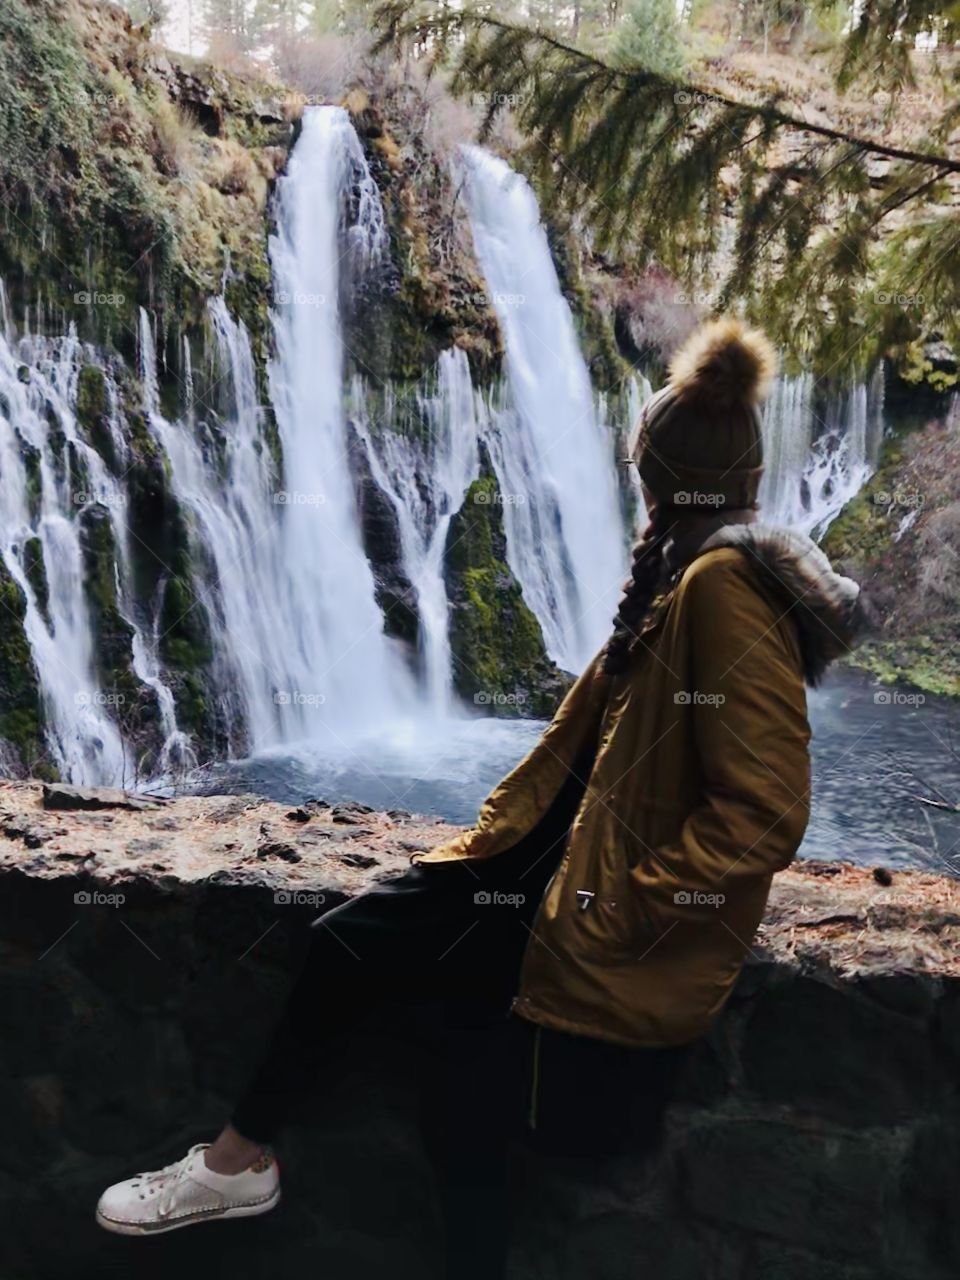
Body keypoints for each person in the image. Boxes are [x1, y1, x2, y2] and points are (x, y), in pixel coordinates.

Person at [95, 318, 870, 1277]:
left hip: (587, 914)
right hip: (539, 880)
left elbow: (762, 810)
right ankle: (242, 1164)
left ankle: (238, 1163)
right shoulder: (690, 571)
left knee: (434, 1061)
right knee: (400, 1013)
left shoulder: (721, 588)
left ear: (653, 475)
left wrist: (621, 902)